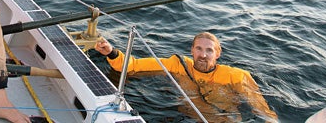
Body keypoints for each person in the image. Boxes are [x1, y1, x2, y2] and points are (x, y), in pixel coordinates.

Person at [95, 32, 278, 122]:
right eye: (199, 49)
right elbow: (132, 66)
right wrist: (111, 53)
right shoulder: (178, 65)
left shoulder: (236, 76)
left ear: (218, 54)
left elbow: (261, 110)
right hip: (186, 117)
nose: (203, 55)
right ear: (192, 50)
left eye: (209, 50)